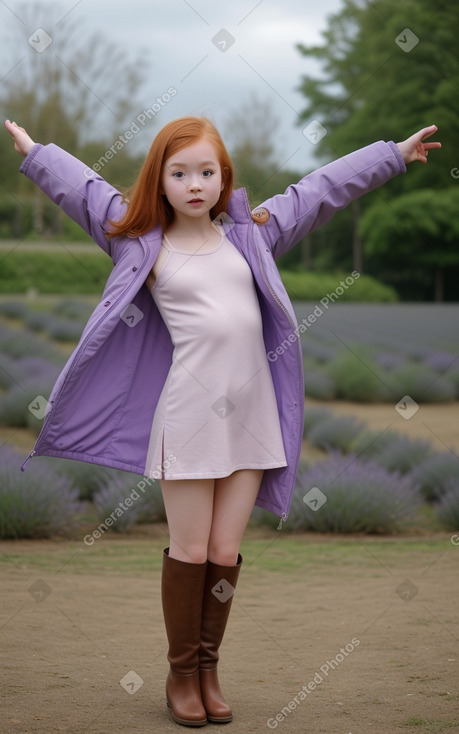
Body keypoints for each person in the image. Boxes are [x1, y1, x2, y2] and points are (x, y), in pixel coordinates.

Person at [5, 116, 440, 727]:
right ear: (160, 180)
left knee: (226, 551)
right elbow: (86, 192)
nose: (194, 184)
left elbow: (316, 191)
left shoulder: (251, 235)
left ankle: (209, 669)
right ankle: (181, 674)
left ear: (223, 177)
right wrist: (36, 152)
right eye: (179, 173)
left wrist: (390, 156)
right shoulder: (141, 240)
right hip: (188, 416)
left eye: (206, 172)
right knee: (191, 548)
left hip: (253, 419)